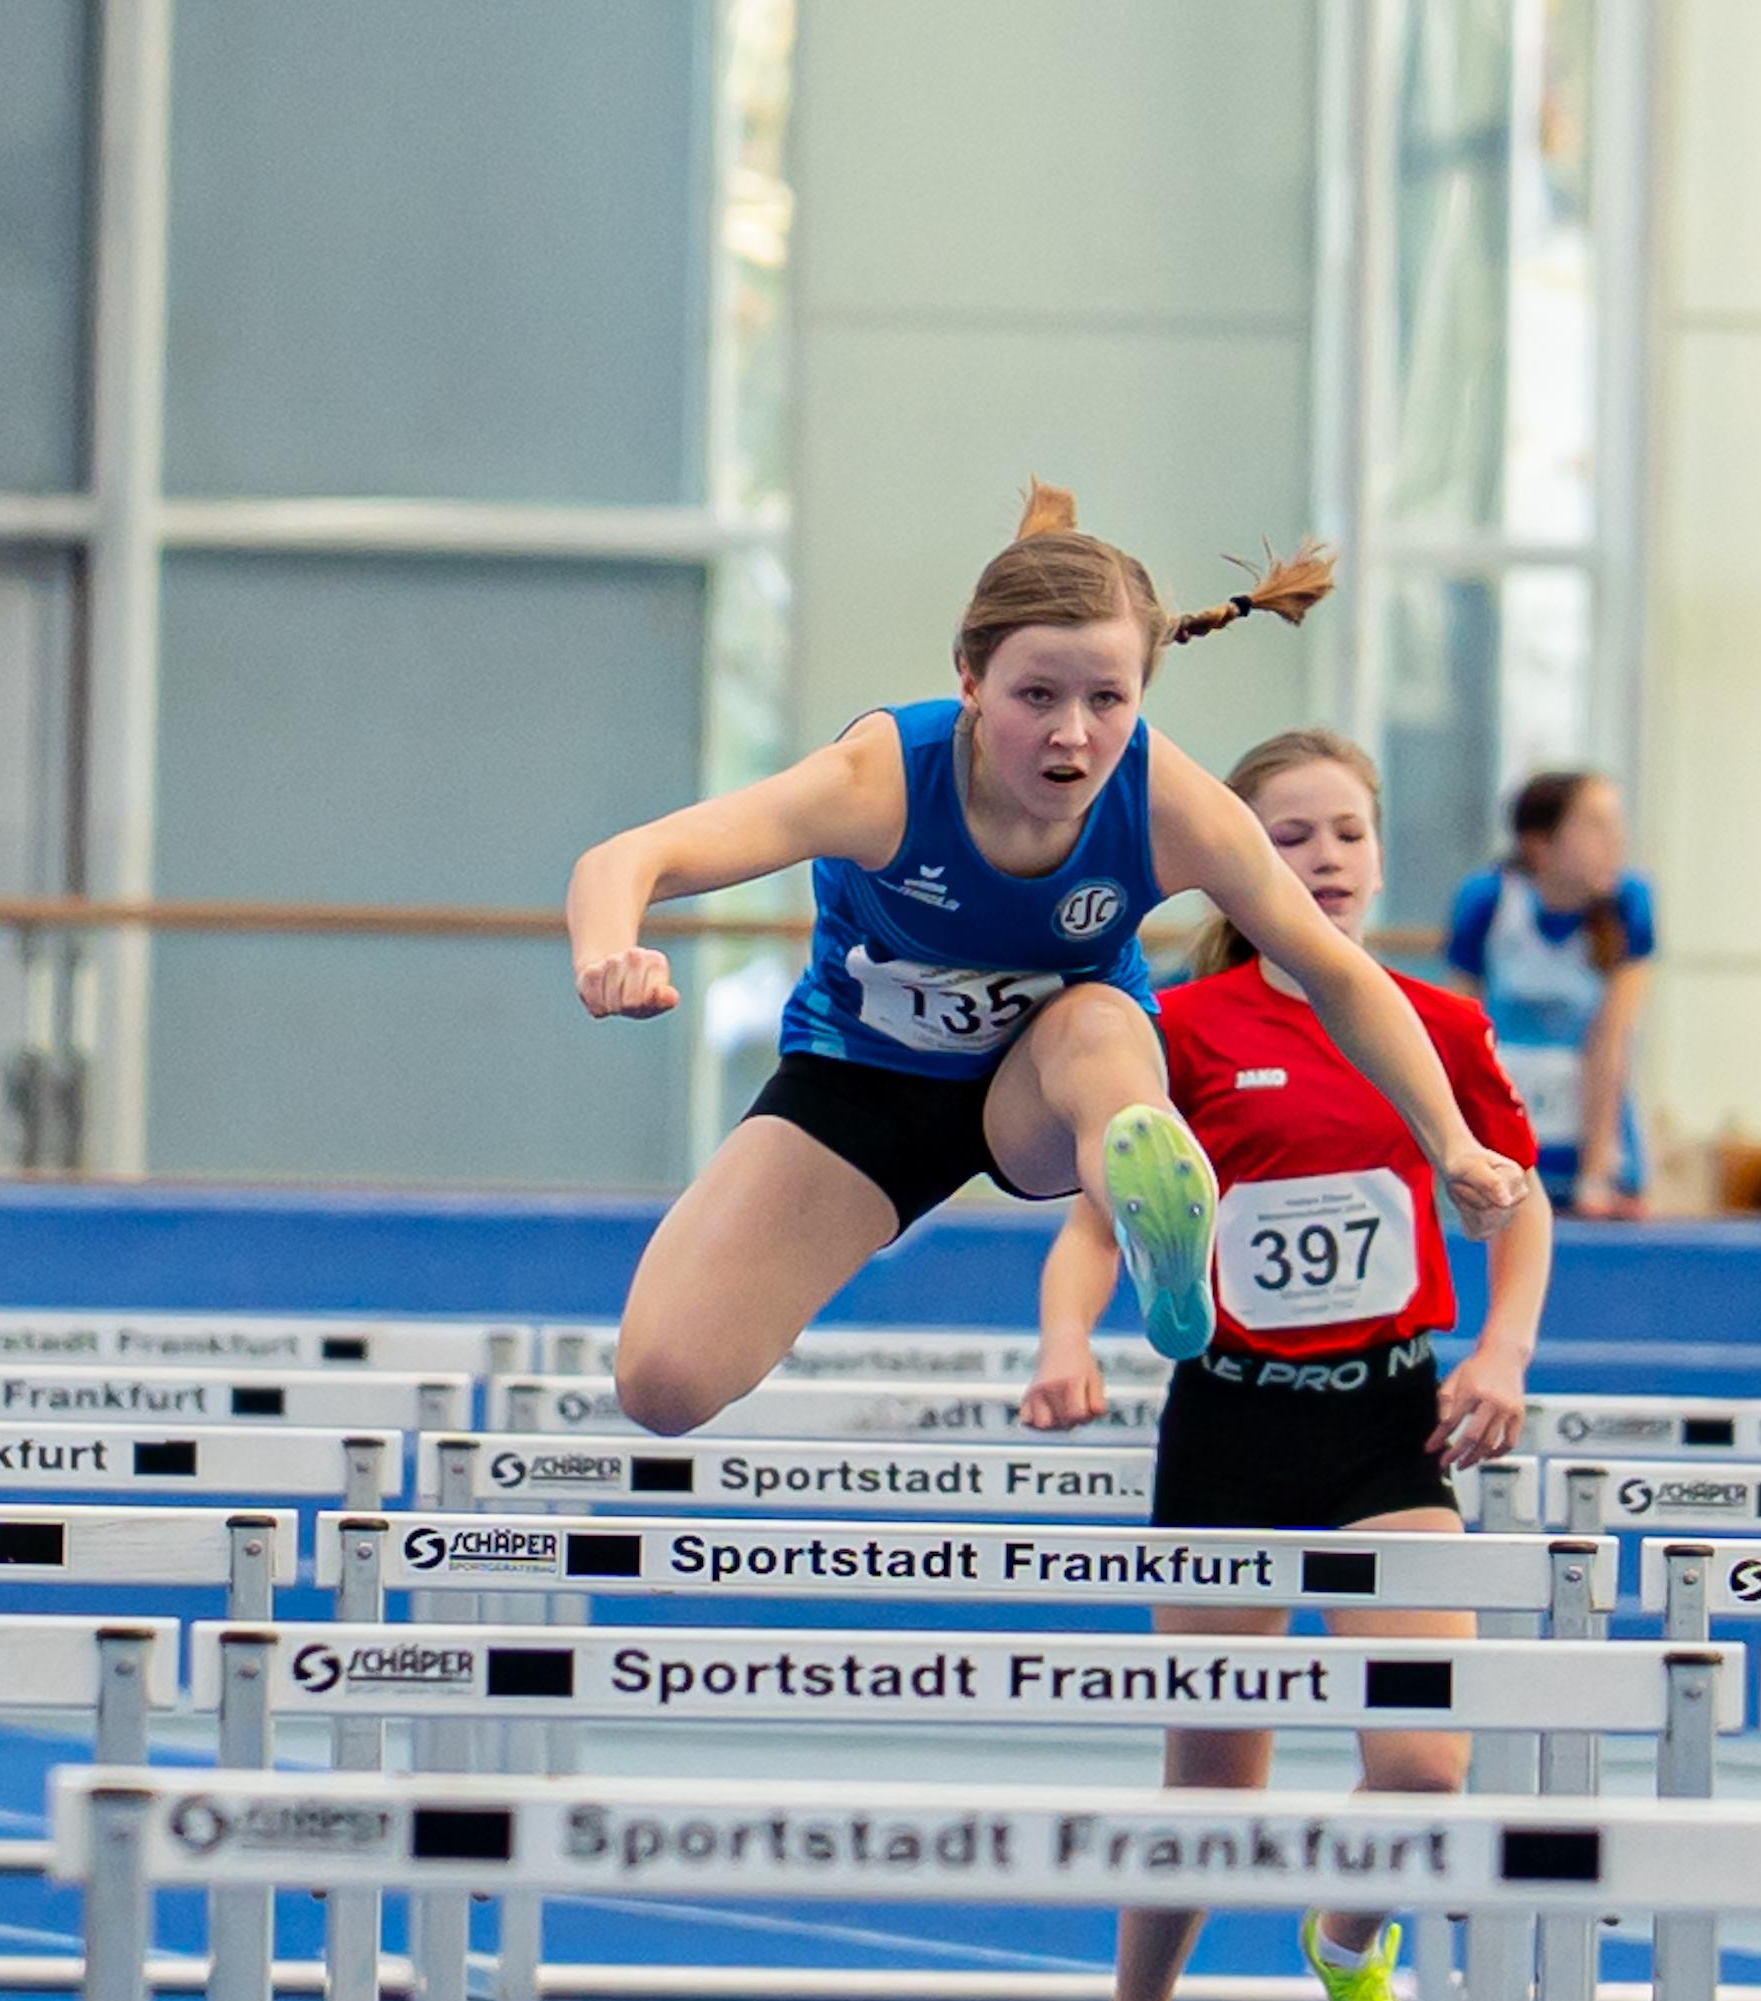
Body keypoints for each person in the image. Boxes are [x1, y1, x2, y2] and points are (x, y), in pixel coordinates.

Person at [570, 484, 1533, 1433]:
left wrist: (1450, 1142)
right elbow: (629, 857)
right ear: (969, 680)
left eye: (1107, 699)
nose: (1073, 734)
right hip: (861, 1084)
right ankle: (1134, 1179)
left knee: (1098, 1023)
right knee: (663, 1385)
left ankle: (1151, 1218)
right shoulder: (881, 781)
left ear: (1142, 694)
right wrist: (610, 948)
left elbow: (1339, 973)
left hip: (1052, 1090)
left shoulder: (1171, 807)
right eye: (1037, 696)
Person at [1020, 727, 1551, 2001]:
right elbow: (1094, 1225)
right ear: (1237, 861)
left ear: (1382, 855)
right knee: (1211, 1789)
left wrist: (1503, 1350)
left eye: (1349, 833)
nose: (1326, 858)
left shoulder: (1439, 1026)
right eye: (1291, 836)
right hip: (1231, 1427)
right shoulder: (1178, 1027)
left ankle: (1347, 1940)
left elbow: (1518, 1195)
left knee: (1425, 1766)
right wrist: (1064, 1342)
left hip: (1387, 1422)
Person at [1444, 771, 1653, 1215]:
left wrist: (1596, 1173)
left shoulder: (1629, 903)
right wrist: (1463, 1146)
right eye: (1595, 825)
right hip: (1504, 1128)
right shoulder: (1488, 899)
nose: (1616, 841)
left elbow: (1610, 1042)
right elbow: (1459, 1035)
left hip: (1593, 1131)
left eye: (1617, 824)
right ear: (1539, 845)